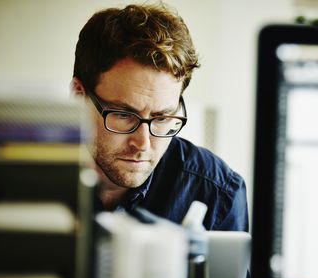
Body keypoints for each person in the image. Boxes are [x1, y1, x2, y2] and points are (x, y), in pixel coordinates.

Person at [71, 3, 248, 232]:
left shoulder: (216, 192)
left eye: (162, 117)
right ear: (78, 95)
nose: (143, 144)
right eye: (124, 115)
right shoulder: (22, 177)